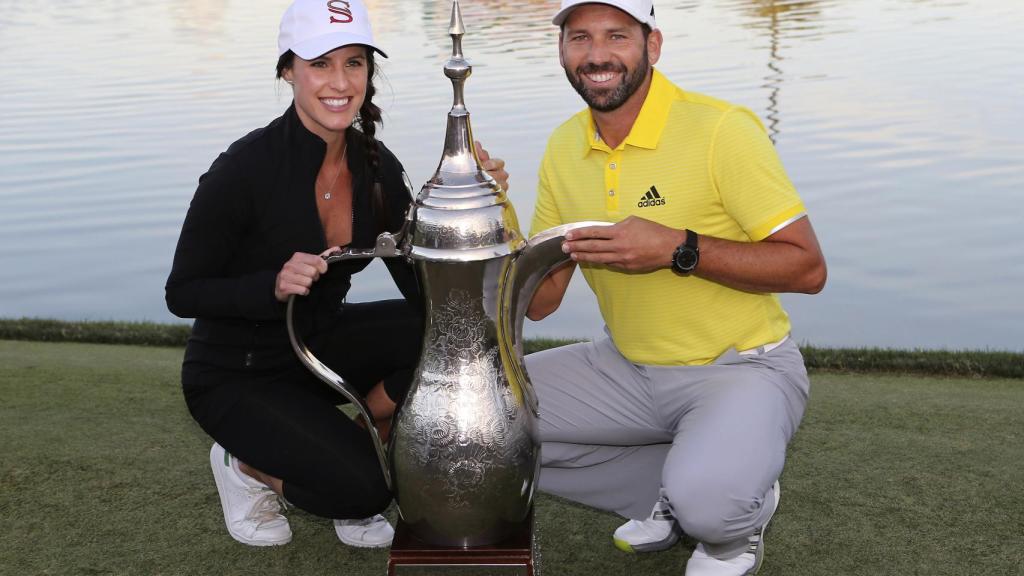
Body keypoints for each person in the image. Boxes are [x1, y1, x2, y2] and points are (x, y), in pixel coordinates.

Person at [165, 0, 508, 548]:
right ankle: (246, 466)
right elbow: (182, 293)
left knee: (448, 331)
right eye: (319, 63)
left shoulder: (375, 165)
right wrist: (271, 284)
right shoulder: (243, 169)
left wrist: (478, 211)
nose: (340, 82)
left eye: (355, 63)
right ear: (287, 70)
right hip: (237, 373)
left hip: (317, 347)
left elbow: (423, 290)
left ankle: (352, 443)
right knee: (366, 493)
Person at [524, 1, 827, 574]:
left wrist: (679, 249)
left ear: (652, 46)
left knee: (711, 508)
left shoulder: (720, 129)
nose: (597, 55)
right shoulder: (564, 146)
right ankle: (675, 487)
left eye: (617, 35)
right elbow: (541, 303)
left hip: (741, 369)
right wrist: (492, 208)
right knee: (483, 422)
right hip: (625, 368)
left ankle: (730, 524)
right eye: (580, 37)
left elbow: (807, 269)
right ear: (562, 51)